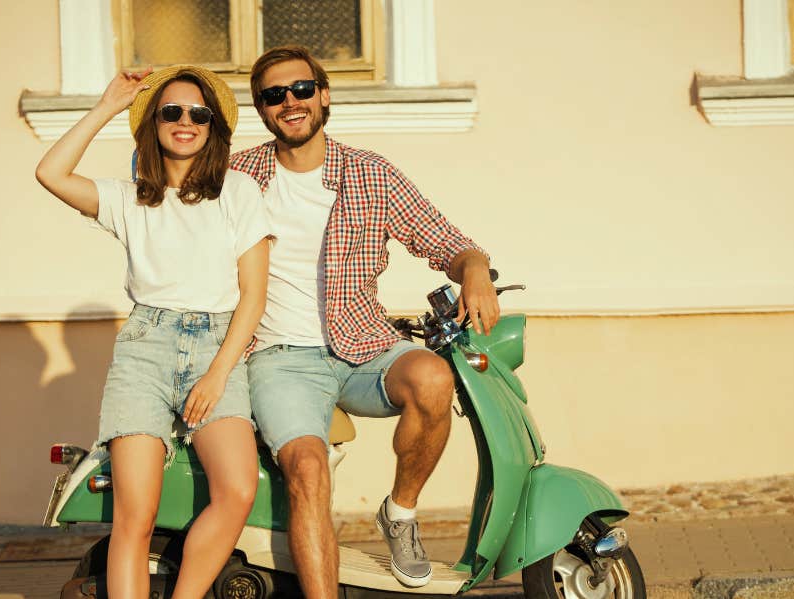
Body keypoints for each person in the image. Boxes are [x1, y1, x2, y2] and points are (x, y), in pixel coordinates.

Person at [230, 46, 500, 595]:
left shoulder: (370, 173)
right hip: (280, 358)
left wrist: (474, 268)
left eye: (302, 89)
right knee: (307, 469)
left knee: (432, 377)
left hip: (363, 343)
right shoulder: (238, 176)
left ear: (324, 95)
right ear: (262, 109)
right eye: (274, 95)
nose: (290, 102)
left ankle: (399, 515)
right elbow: (165, 198)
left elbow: (443, 239)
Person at [35, 65, 271, 599]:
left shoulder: (238, 191)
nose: (185, 122)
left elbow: (252, 295)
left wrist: (216, 375)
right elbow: (50, 172)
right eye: (171, 111)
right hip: (145, 350)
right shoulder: (128, 198)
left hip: (217, 347)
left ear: (213, 126)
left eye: (198, 113)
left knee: (236, 489)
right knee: (134, 517)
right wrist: (106, 107)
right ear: (154, 124)